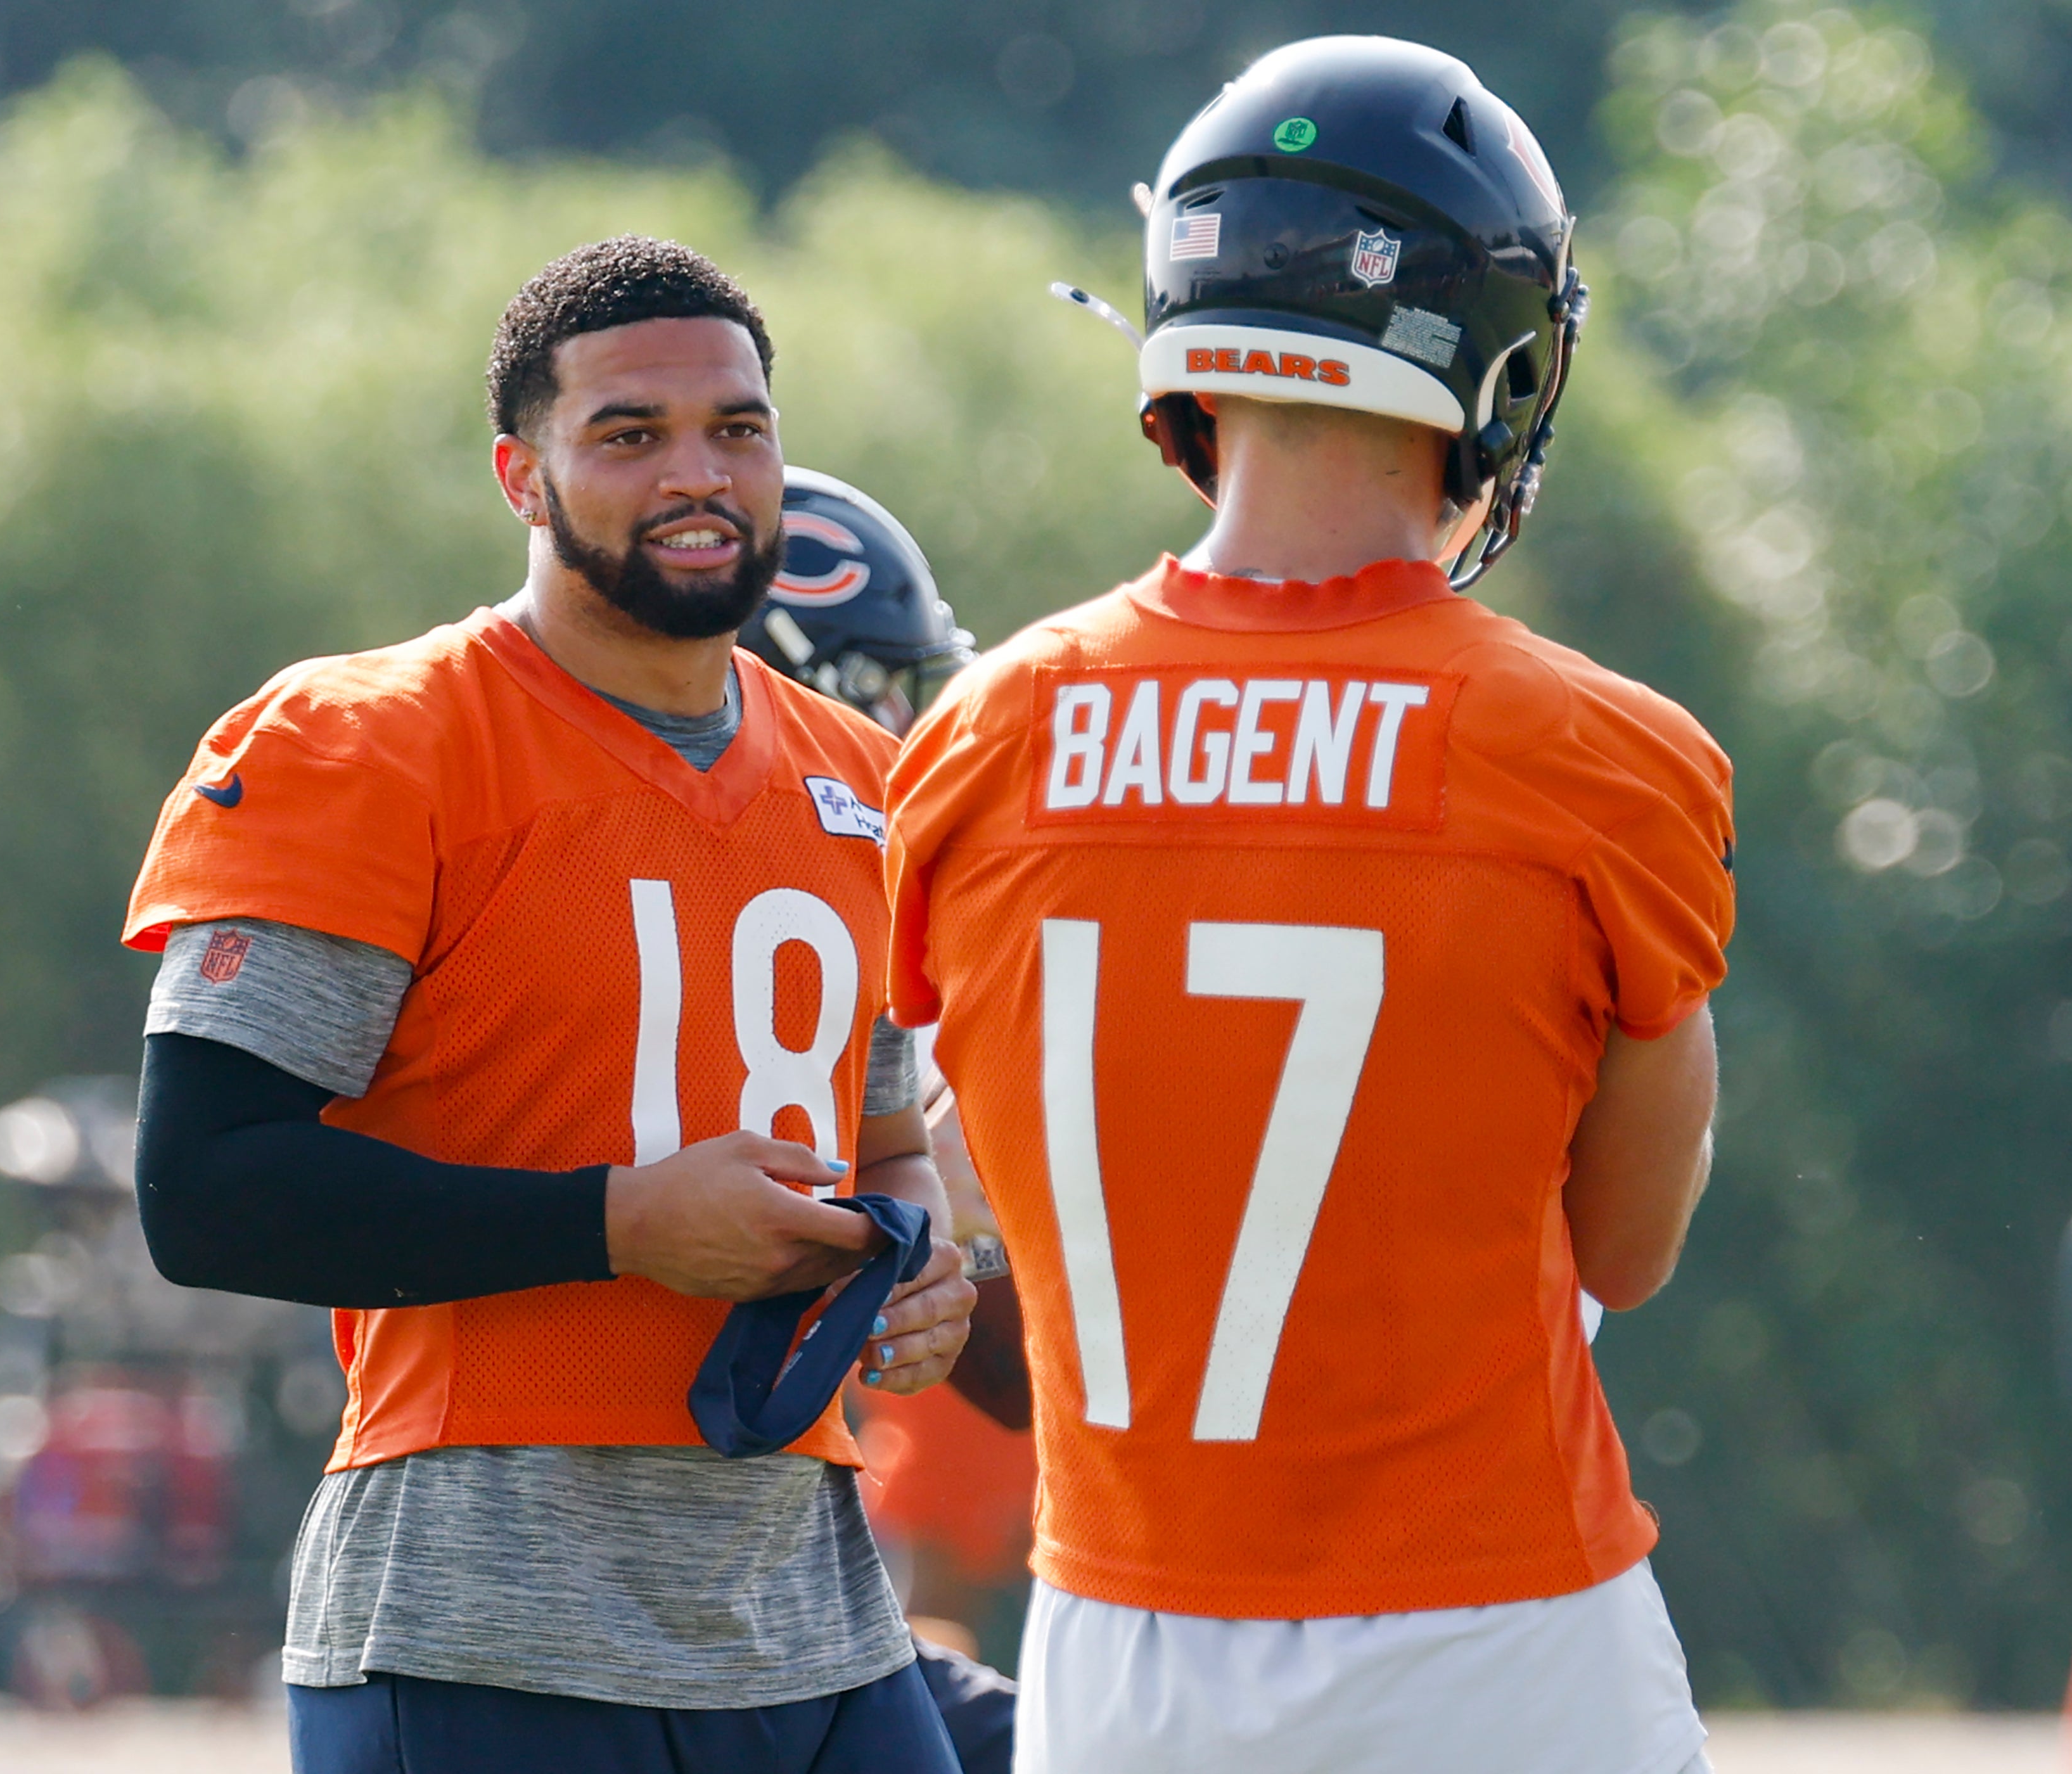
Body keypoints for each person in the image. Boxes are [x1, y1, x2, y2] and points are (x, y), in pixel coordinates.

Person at [884, 37, 1732, 1774]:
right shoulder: (1598, 755)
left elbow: (954, 1167)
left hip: (1119, 1655)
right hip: (1499, 1645)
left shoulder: (981, 739)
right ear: (1494, 356)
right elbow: (1626, 1254)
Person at [120, 236, 975, 1774]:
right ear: (521, 474)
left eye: (738, 428)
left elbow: (885, 1138)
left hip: (814, 1613)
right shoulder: (369, 744)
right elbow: (205, 1191)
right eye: (630, 435)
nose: (698, 473)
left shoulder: (864, 776)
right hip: (480, 1620)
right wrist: (614, 1223)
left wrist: (925, 1271)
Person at [739, 468, 1021, 1774]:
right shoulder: (744, 975)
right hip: (639, 1631)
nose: (913, 747)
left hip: (789, 1614)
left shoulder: (867, 988)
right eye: (888, 698)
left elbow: (1009, 1384)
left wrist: (965, 1234)